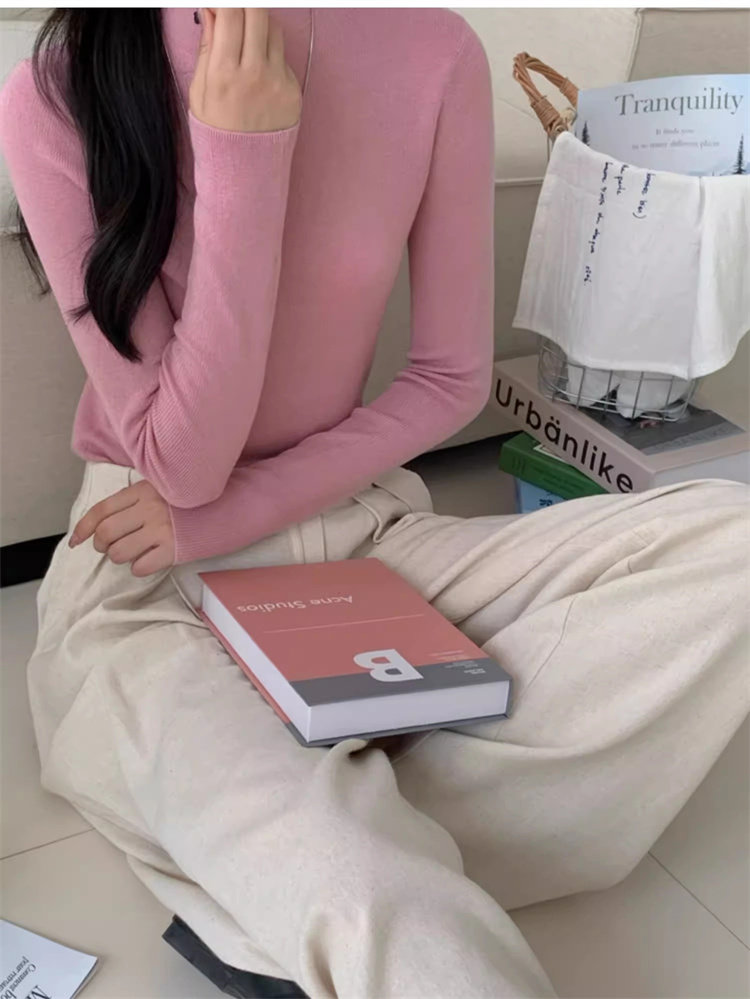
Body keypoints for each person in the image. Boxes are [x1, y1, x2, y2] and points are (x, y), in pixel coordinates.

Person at [1, 8, 747, 998]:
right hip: (149, 569)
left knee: (732, 542)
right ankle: (337, 836)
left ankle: (303, 830)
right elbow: (181, 466)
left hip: (360, 527)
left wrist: (231, 516)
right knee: (374, 901)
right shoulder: (58, 88)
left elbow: (447, 378)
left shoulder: (431, 51)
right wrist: (245, 150)